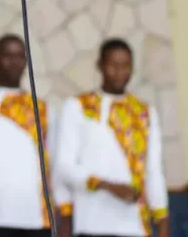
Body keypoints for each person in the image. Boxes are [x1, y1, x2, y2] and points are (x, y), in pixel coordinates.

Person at [54, 39, 169, 237]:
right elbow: (64, 166)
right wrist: (108, 186)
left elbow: (153, 172)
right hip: (91, 224)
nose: (119, 72)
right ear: (100, 65)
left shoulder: (145, 112)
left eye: (125, 65)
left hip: (135, 226)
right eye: (113, 65)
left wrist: (163, 223)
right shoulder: (78, 107)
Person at [0, 34, 59, 237]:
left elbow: (52, 162)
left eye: (19, 56)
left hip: (38, 217)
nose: (14, 62)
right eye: (7, 55)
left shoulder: (41, 107)